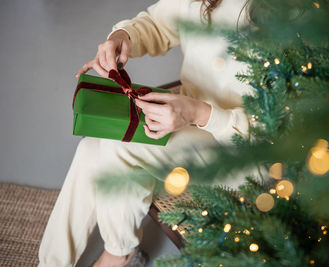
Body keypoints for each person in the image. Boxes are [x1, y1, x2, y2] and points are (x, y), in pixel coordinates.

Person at [38, 0, 253, 266]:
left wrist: (199, 113)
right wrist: (123, 36)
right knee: (90, 149)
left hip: (241, 151)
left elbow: (283, 133)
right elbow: (158, 22)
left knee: (122, 147)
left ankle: (120, 253)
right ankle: (50, 263)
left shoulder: (294, 15)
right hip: (188, 115)